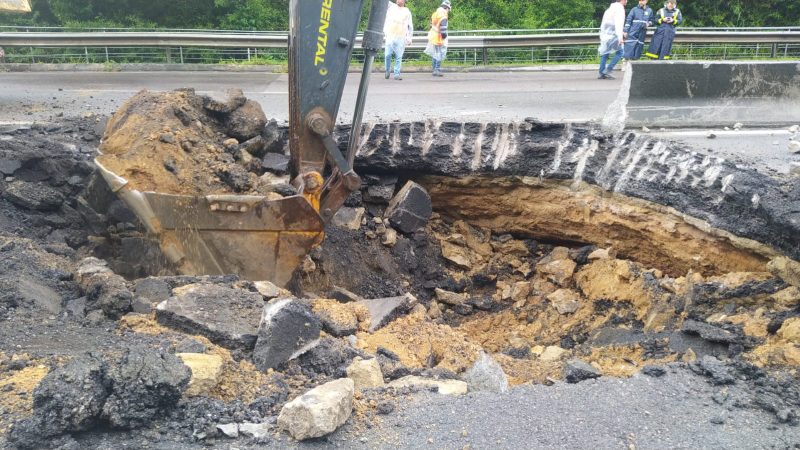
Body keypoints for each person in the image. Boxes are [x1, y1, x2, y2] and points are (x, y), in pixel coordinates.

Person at [384, 0, 414, 81]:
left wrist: (409, 37)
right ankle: (387, 70)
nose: (398, 0)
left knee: (399, 56)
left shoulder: (407, 11)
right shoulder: (391, 7)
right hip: (390, 35)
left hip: (401, 36)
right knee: (387, 55)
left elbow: (410, 26)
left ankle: (396, 74)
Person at [598, 0, 628, 80]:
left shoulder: (610, 8)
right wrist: (620, 37)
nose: (627, 1)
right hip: (614, 35)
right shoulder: (620, 9)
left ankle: (601, 73)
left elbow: (606, 23)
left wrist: (603, 35)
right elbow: (618, 23)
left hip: (606, 35)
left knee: (605, 53)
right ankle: (608, 71)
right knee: (620, 52)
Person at [425, 0, 450, 77]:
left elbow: (431, 24)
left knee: (435, 53)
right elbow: (443, 26)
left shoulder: (435, 13)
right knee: (439, 53)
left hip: (433, 35)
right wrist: (444, 35)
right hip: (439, 37)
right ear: (447, 8)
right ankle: (437, 69)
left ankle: (434, 68)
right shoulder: (443, 14)